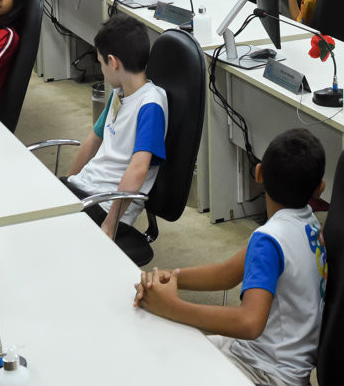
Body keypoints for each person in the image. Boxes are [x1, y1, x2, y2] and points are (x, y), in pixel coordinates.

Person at [133, 128, 327, 386]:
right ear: (320, 189)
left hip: (264, 373)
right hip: (277, 364)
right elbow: (226, 274)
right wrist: (172, 278)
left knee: (157, 358)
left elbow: (249, 323)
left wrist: (172, 307)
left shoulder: (270, 240)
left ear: (258, 174)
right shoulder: (308, 225)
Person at [64, 15, 168, 239]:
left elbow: (138, 169)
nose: (102, 70)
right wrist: (67, 182)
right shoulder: (119, 93)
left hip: (104, 204)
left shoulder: (150, 105)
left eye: (101, 63)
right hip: (87, 190)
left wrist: (110, 226)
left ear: (113, 62)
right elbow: (93, 140)